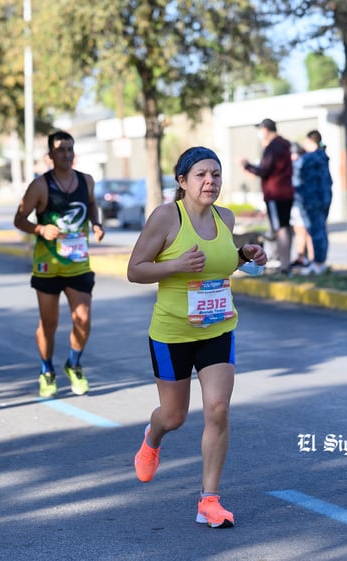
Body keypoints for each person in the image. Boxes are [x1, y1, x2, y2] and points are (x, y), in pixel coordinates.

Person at [127, 146, 267, 529]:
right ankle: (153, 436)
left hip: (218, 326)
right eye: (202, 175)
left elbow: (220, 264)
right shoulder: (165, 217)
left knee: (218, 409)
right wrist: (174, 265)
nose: (210, 182)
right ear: (182, 181)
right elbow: (135, 270)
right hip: (172, 332)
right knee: (174, 416)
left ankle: (209, 501)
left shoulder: (226, 217)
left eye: (217, 175)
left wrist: (245, 256)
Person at [13, 130, 105, 398]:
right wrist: (40, 229)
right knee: (49, 323)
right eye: (60, 149)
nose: (66, 154)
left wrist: (96, 224)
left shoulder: (86, 181)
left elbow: (91, 205)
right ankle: (46, 370)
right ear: (50, 155)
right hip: (48, 266)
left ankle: (74, 364)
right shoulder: (40, 186)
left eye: (70, 149)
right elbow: (19, 220)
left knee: (83, 319)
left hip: (78, 264)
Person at [240, 118, 294, 274]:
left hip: (276, 193)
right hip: (285, 192)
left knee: (280, 229)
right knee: (283, 227)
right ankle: (284, 263)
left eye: (260, 129)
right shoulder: (283, 145)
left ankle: (284, 266)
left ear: (265, 130)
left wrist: (247, 166)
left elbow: (264, 170)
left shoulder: (273, 147)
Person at [297, 129, 333, 276]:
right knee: (321, 231)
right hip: (324, 198)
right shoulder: (323, 156)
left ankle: (318, 263)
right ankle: (320, 262)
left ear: (311, 141)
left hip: (312, 200)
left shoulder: (310, 158)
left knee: (316, 231)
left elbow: (302, 178)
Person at [288, 141, 312, 271]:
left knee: (302, 230)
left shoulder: (299, 164)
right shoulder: (301, 163)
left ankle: (304, 258)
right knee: (301, 230)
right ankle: (304, 257)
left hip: (300, 201)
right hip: (299, 201)